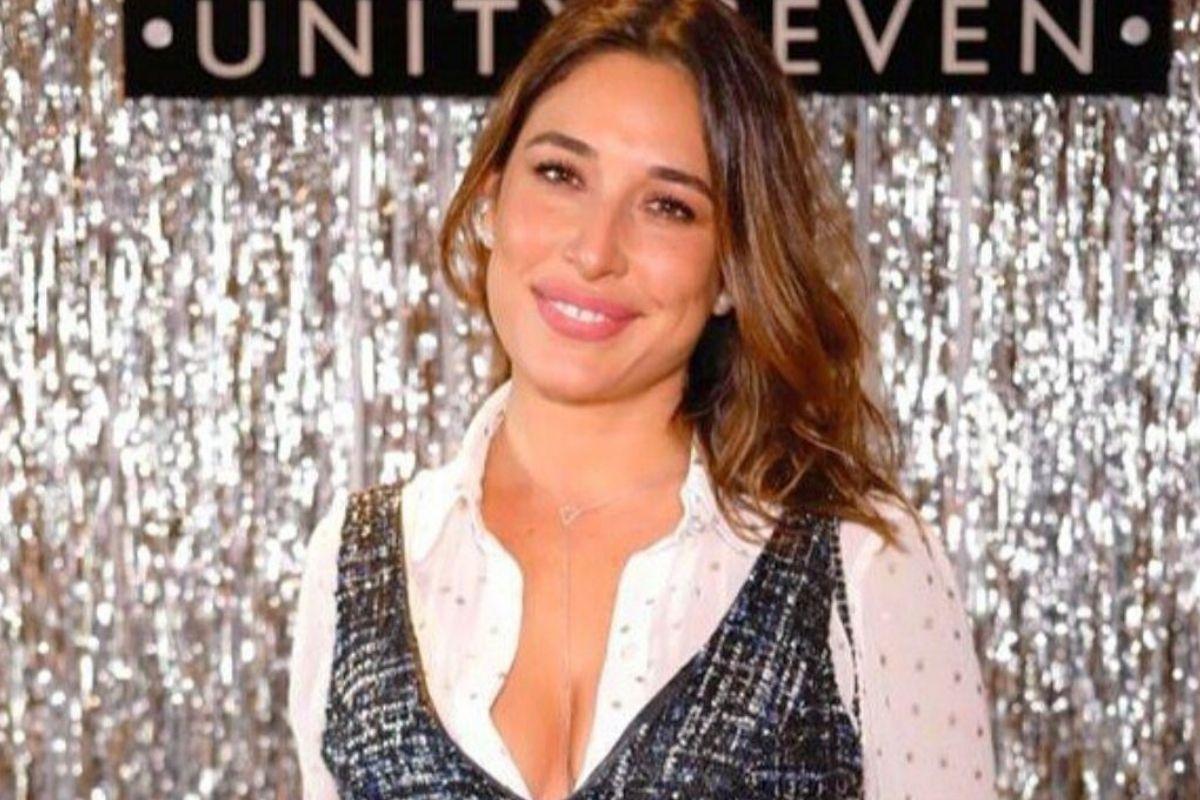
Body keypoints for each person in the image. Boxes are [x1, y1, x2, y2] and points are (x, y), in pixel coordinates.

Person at [287, 1, 999, 798]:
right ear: (490, 199)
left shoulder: (862, 564)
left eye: (668, 206)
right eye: (560, 175)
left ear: (731, 271)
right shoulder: (355, 562)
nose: (595, 251)